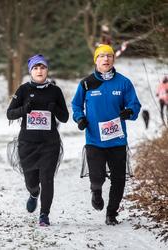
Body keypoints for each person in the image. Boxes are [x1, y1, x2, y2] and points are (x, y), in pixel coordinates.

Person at [71, 44, 141, 225]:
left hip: (117, 139)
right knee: (97, 177)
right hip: (94, 139)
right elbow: (76, 105)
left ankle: (111, 213)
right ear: (96, 60)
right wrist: (80, 118)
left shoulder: (124, 82)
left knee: (119, 180)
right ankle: (96, 191)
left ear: (113, 59)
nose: (106, 59)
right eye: (101, 56)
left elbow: (135, 104)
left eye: (109, 56)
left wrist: (129, 112)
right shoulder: (86, 83)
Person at [7, 54, 69, 226]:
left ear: (47, 70)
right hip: (27, 144)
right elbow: (9, 113)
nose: (39, 70)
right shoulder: (23, 90)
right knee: (31, 182)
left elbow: (64, 117)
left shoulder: (55, 91)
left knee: (47, 178)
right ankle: (34, 193)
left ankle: (44, 215)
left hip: (50, 144)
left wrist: (55, 108)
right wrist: (23, 110)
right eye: (36, 68)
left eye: (42, 67)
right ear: (30, 71)